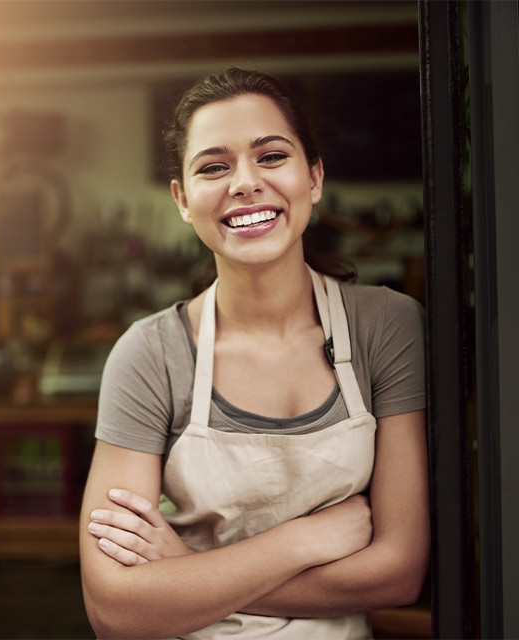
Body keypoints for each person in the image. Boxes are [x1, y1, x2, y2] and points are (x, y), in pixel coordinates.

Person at [79, 67, 429, 639]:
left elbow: (399, 572)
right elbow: (117, 611)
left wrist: (186, 576)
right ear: (183, 200)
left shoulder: (385, 327)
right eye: (213, 167)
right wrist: (303, 540)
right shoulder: (150, 354)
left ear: (313, 177)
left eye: (271, 156)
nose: (245, 182)